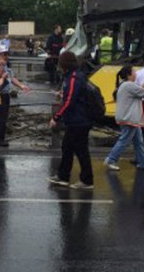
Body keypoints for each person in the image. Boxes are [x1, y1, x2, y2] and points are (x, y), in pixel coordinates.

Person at [47, 51, 95, 190]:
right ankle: (63, 175)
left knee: (80, 150)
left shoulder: (73, 78)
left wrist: (56, 117)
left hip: (79, 120)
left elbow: (69, 102)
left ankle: (87, 180)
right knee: (67, 147)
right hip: (77, 119)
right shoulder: (75, 76)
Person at [104, 65, 144, 171]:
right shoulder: (128, 85)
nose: (136, 73)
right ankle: (110, 160)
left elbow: (139, 90)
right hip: (129, 118)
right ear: (129, 75)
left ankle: (142, 163)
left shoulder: (126, 85)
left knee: (138, 141)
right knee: (124, 140)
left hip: (129, 118)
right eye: (134, 71)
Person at [0, 45, 30, 147]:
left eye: (7, 54)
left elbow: (12, 78)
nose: (6, 56)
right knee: (1, 117)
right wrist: (1, 65)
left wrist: (22, 86)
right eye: (4, 54)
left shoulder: (6, 66)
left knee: (2, 116)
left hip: (5, 94)